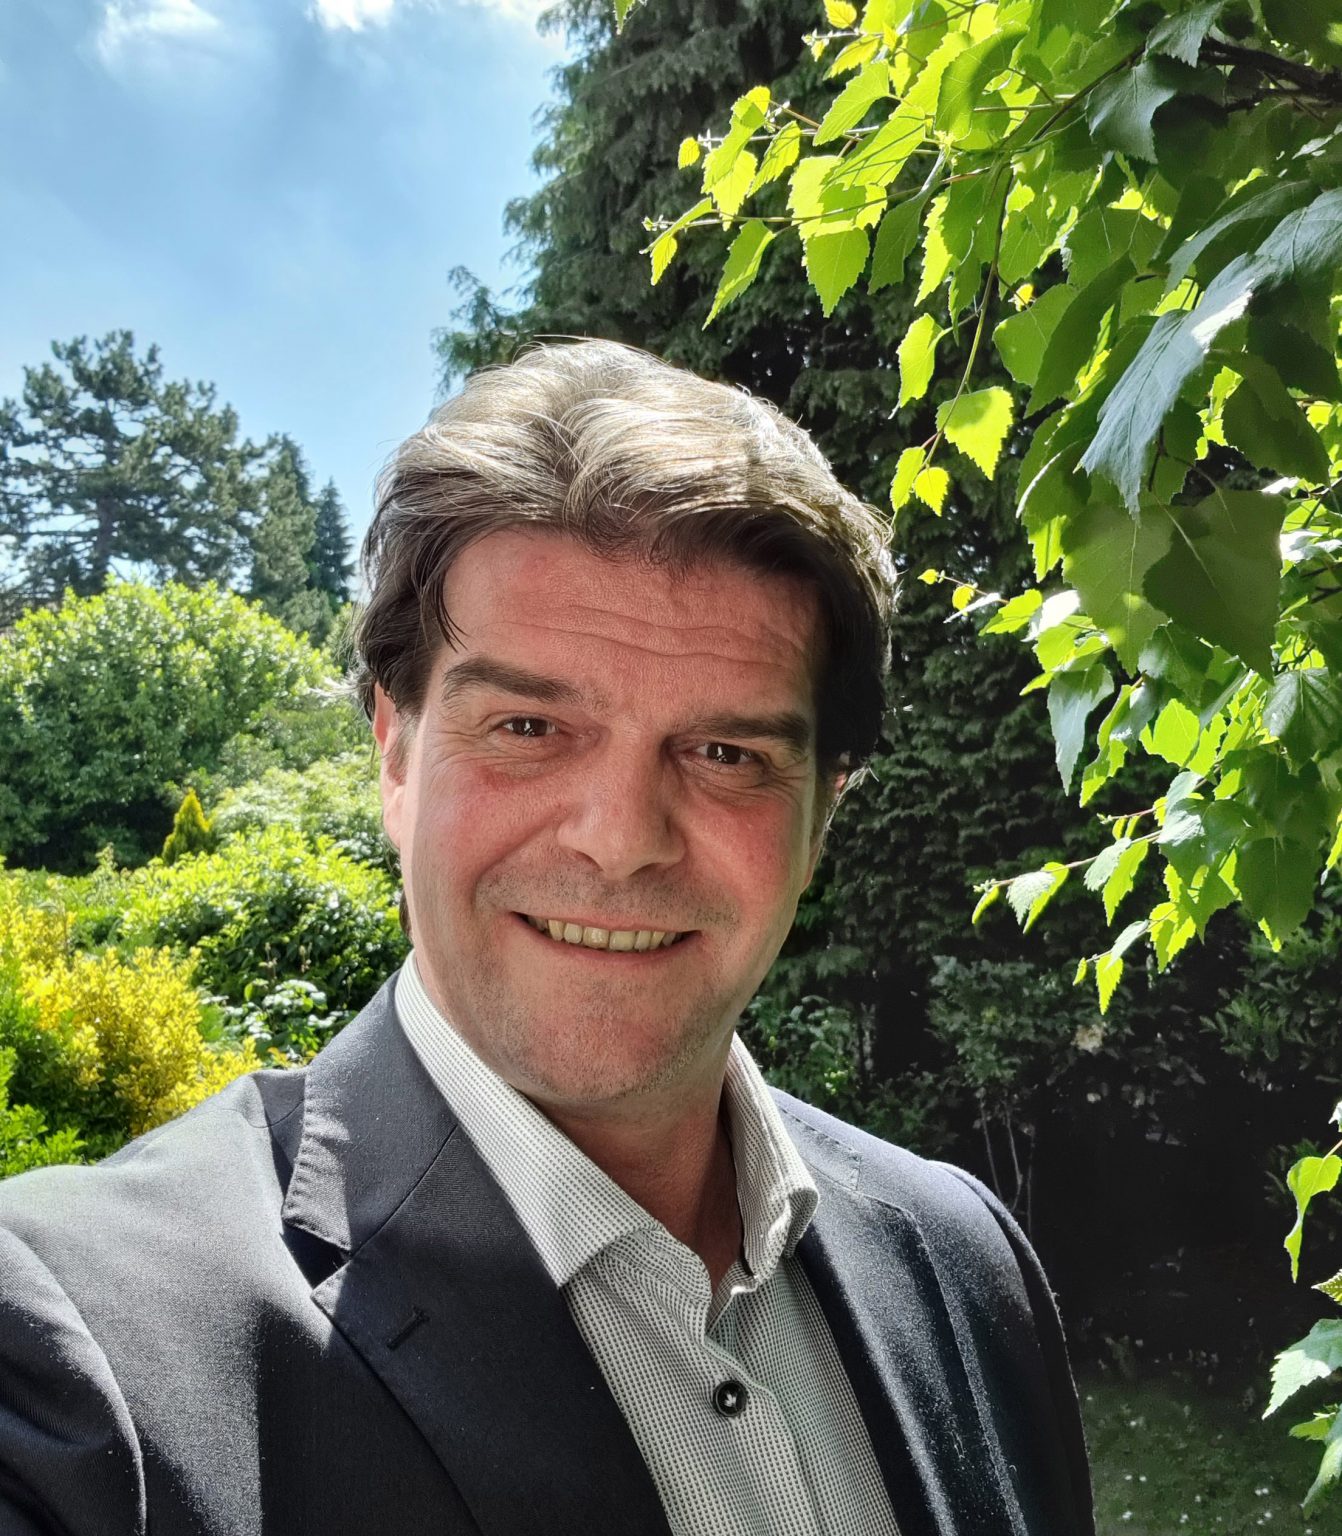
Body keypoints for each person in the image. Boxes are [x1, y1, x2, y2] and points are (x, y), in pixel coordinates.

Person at [0, 341, 1094, 1536]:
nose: (620, 841)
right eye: (527, 726)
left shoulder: (963, 1262)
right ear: (395, 756)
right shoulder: (73, 1355)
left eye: (724, 753)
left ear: (821, 814)